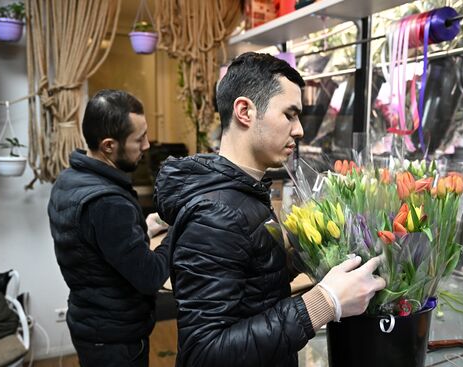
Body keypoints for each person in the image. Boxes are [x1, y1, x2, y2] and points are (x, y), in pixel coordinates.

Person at [154, 52, 386, 367]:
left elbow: (249, 286)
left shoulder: (245, 193)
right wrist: (322, 302)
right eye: (289, 114)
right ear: (245, 111)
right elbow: (204, 353)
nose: (300, 129)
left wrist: (303, 253)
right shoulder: (215, 213)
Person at [48, 89, 169, 367]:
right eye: (139, 139)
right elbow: (151, 277)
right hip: (116, 339)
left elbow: (94, 245)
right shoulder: (108, 203)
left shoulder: (68, 180)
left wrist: (142, 229)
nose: (147, 145)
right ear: (109, 146)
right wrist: (174, 233)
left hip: (90, 323)